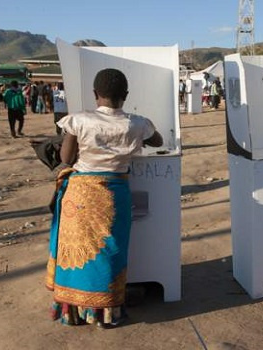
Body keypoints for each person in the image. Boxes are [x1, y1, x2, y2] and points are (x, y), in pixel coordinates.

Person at [46, 68, 163, 328]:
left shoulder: (79, 120)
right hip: (114, 193)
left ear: (95, 94)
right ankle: (107, 314)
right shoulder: (137, 123)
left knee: (76, 253)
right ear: (126, 95)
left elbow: (66, 159)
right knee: (109, 251)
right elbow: (158, 140)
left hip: (81, 193)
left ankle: (73, 312)